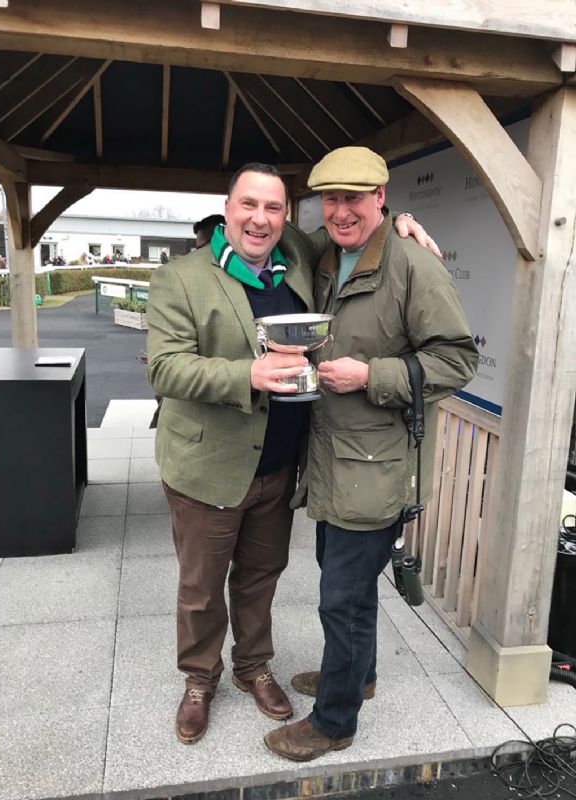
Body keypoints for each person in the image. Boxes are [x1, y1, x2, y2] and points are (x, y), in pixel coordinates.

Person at [146, 161, 439, 746]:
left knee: (260, 579)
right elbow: (164, 367)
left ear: (287, 217)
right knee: (201, 588)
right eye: (248, 205)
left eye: (274, 208)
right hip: (207, 468)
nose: (260, 219)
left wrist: (400, 220)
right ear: (225, 210)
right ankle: (199, 681)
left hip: (279, 465)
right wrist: (247, 374)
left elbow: (358, 224)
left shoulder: (299, 257)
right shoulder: (180, 277)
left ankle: (254, 667)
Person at [264, 147, 479, 762]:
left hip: (380, 470)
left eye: (354, 197)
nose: (340, 210)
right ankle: (360, 677)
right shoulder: (328, 257)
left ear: (381, 198)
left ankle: (333, 721)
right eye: (330, 198)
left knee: (341, 597)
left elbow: (457, 360)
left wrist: (372, 375)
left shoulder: (413, 267)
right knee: (351, 590)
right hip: (336, 463)